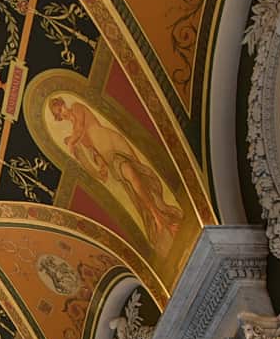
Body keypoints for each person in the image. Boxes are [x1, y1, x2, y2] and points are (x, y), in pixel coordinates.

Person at [47, 96, 183, 246]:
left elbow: (80, 127)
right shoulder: (76, 133)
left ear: (63, 104)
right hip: (109, 158)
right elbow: (94, 152)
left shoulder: (78, 108)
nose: (62, 114)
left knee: (135, 176)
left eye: (60, 110)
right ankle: (159, 218)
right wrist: (102, 167)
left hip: (114, 145)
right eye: (59, 115)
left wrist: (71, 141)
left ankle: (160, 218)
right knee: (132, 188)